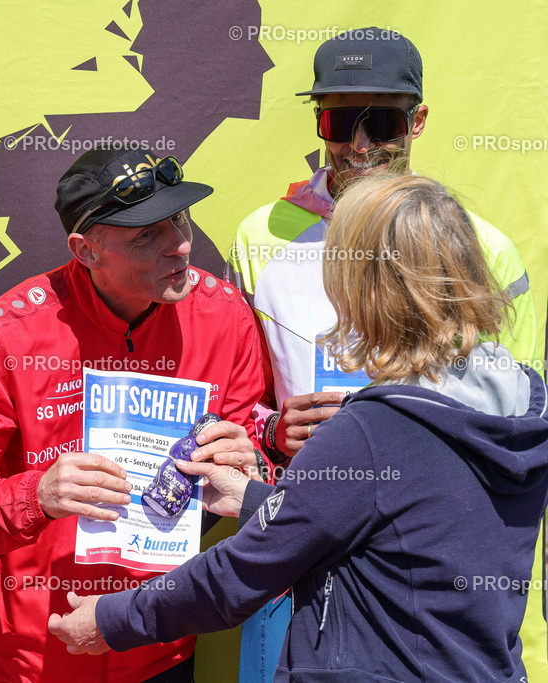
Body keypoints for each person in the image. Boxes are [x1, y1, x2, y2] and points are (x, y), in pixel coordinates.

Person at [49, 173, 548, 681]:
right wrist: (251, 500)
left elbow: (242, 573)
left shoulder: (376, 430)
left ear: (364, 284)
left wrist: (109, 620)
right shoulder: (527, 401)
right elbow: (394, 528)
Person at [224, 27, 542, 680]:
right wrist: (274, 430)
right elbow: (240, 402)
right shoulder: (260, 235)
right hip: (292, 539)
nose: (361, 144)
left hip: (426, 560)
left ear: (418, 120)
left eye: (383, 119)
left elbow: (522, 424)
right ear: (319, 122)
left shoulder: (483, 244)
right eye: (342, 120)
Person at [0, 146, 270, 682]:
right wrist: (34, 495)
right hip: (31, 657)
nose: (179, 245)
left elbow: (253, 452)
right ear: (85, 251)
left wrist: (246, 460)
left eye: (179, 218)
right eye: (145, 236)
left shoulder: (224, 315)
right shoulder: (7, 332)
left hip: (157, 643)